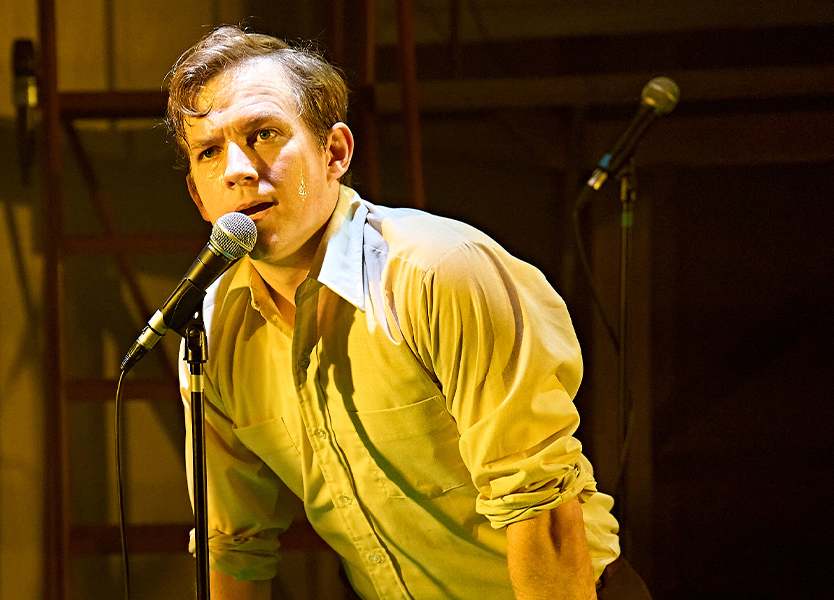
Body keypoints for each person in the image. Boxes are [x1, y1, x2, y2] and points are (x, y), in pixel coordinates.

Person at [166, 26, 651, 600]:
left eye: (264, 134)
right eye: (209, 151)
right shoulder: (215, 326)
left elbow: (539, 510)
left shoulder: (438, 272)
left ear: (334, 152)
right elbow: (232, 546)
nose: (238, 169)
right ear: (197, 196)